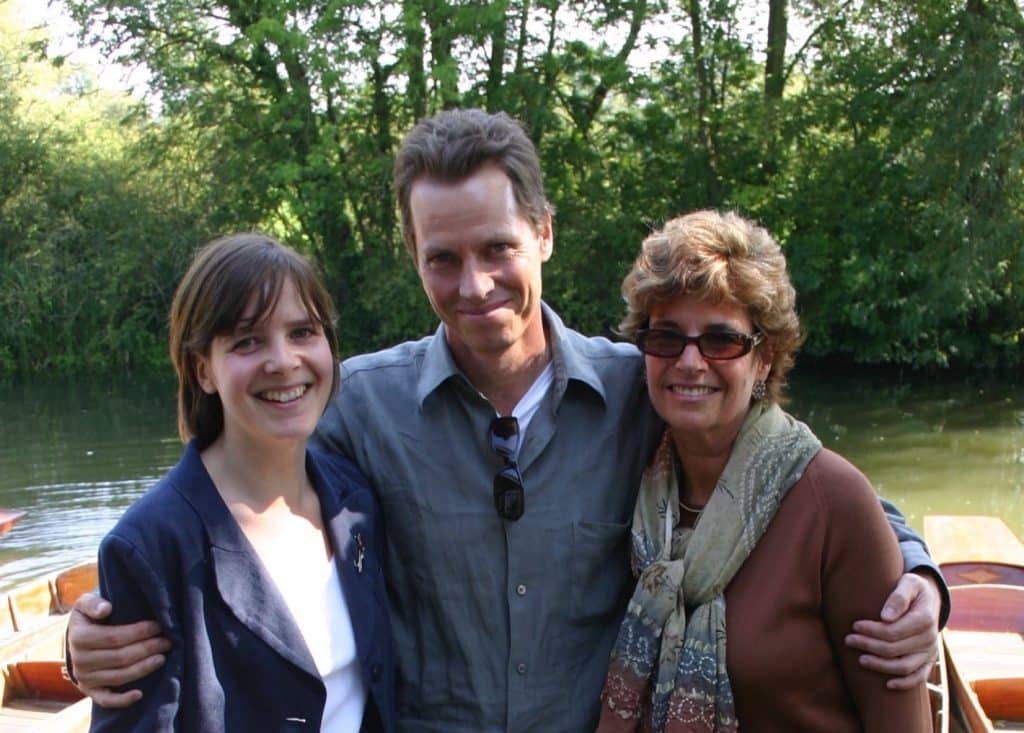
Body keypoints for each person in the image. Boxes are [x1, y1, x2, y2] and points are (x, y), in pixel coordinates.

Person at [67, 110, 945, 732]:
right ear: (413, 256)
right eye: (442, 258)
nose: (474, 283)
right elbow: (226, 490)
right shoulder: (357, 407)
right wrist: (95, 628)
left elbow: (788, 476)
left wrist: (916, 573)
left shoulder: (640, 387)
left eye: (498, 248)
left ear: (545, 234)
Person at [597, 210, 930, 732]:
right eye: (666, 338)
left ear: (766, 356)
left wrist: (929, 580)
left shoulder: (833, 503)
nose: (690, 362)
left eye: (721, 340)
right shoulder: (633, 476)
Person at [86, 233, 394, 732]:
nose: (283, 361)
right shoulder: (150, 546)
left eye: (302, 332)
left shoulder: (355, 501)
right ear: (203, 370)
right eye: (248, 341)